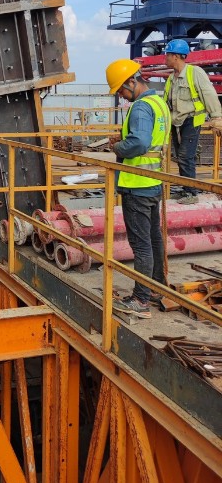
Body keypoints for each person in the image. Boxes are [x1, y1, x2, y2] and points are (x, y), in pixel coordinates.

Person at [106, 59, 171, 319]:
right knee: (154, 238)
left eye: (121, 90)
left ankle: (140, 300)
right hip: (153, 182)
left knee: (141, 244)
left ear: (132, 82)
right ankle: (155, 287)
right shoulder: (159, 103)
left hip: (137, 185)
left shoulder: (141, 107)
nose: (122, 96)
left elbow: (140, 143)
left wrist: (117, 147)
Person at [164, 39, 222, 204]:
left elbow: (208, 93)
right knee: (180, 157)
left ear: (176, 56)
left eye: (168, 55)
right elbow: (166, 102)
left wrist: (217, 117)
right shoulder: (171, 78)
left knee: (185, 156)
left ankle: (191, 193)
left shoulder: (194, 72)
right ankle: (186, 190)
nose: (165, 58)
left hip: (191, 120)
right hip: (176, 122)